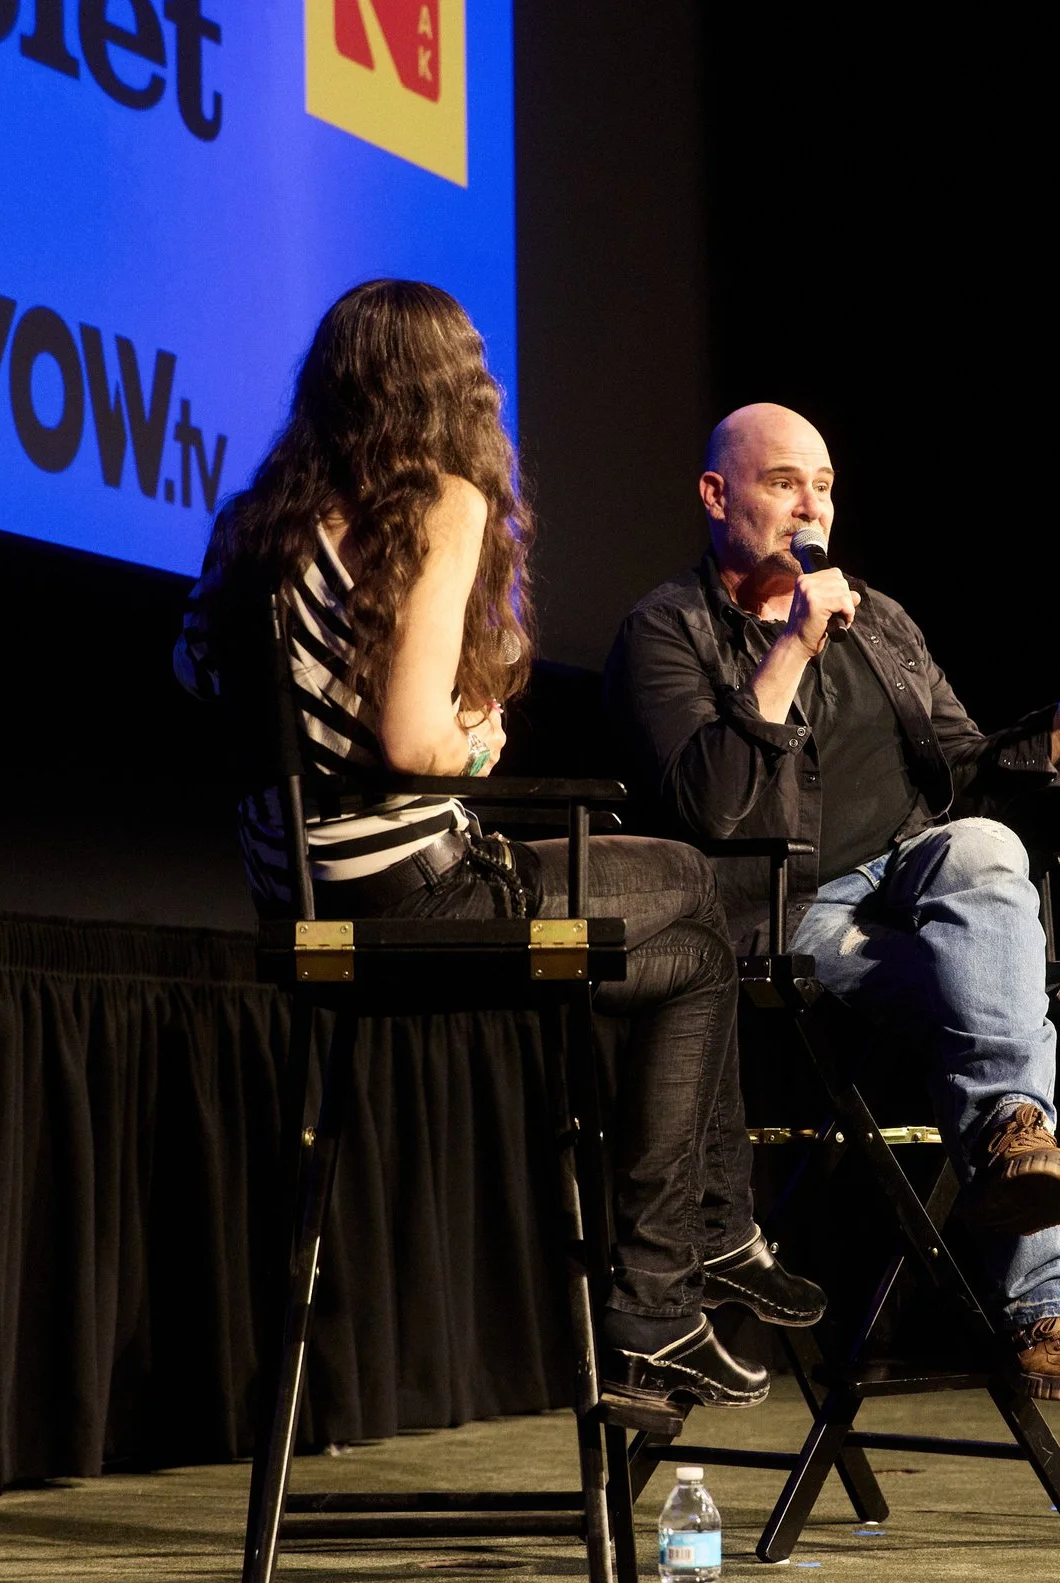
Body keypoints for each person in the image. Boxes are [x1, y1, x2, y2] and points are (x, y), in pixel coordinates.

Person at [172, 283, 821, 1419]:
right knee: (685, 877)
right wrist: (473, 740)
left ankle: (684, 1275)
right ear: (448, 387)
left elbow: (194, 676)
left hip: (299, 904)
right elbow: (416, 736)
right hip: (411, 893)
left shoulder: (262, 523)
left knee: (695, 958)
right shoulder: (436, 498)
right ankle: (681, 1270)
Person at [603, 402, 1060, 1401]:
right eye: (782, 482)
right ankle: (1050, 1313)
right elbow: (709, 806)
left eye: (824, 485)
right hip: (781, 912)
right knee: (996, 987)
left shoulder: (880, 620)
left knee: (984, 847)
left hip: (914, 876)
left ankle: (1015, 1137)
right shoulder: (661, 632)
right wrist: (792, 646)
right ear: (717, 495)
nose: (811, 506)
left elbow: (969, 770)